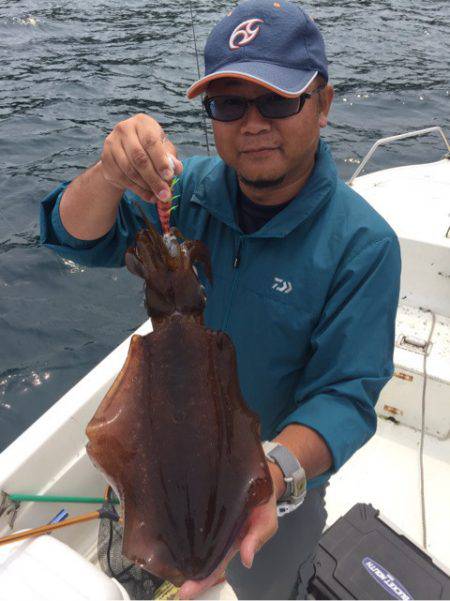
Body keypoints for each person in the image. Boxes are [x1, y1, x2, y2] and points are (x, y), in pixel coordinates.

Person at [40, 0, 401, 598]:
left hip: (270, 485)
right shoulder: (182, 194)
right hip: (160, 460)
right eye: (229, 104)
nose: (253, 122)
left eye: (279, 100)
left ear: (324, 105)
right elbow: (76, 237)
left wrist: (271, 475)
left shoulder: (362, 245)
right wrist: (108, 172)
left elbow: (346, 396)